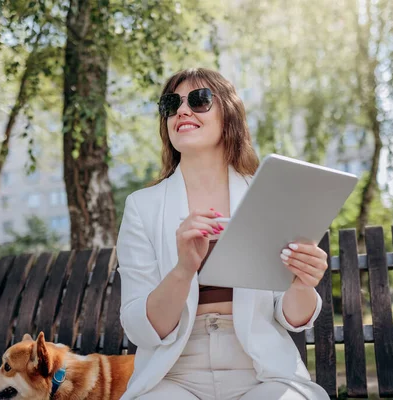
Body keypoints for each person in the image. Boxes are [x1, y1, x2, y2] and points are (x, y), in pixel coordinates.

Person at [116, 68, 330, 400]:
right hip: (174, 374)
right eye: (171, 103)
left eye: (199, 100)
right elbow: (140, 328)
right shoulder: (142, 207)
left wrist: (302, 282)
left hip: (261, 370)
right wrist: (183, 270)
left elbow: (293, 318)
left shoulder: (268, 196)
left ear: (228, 115)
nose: (183, 111)